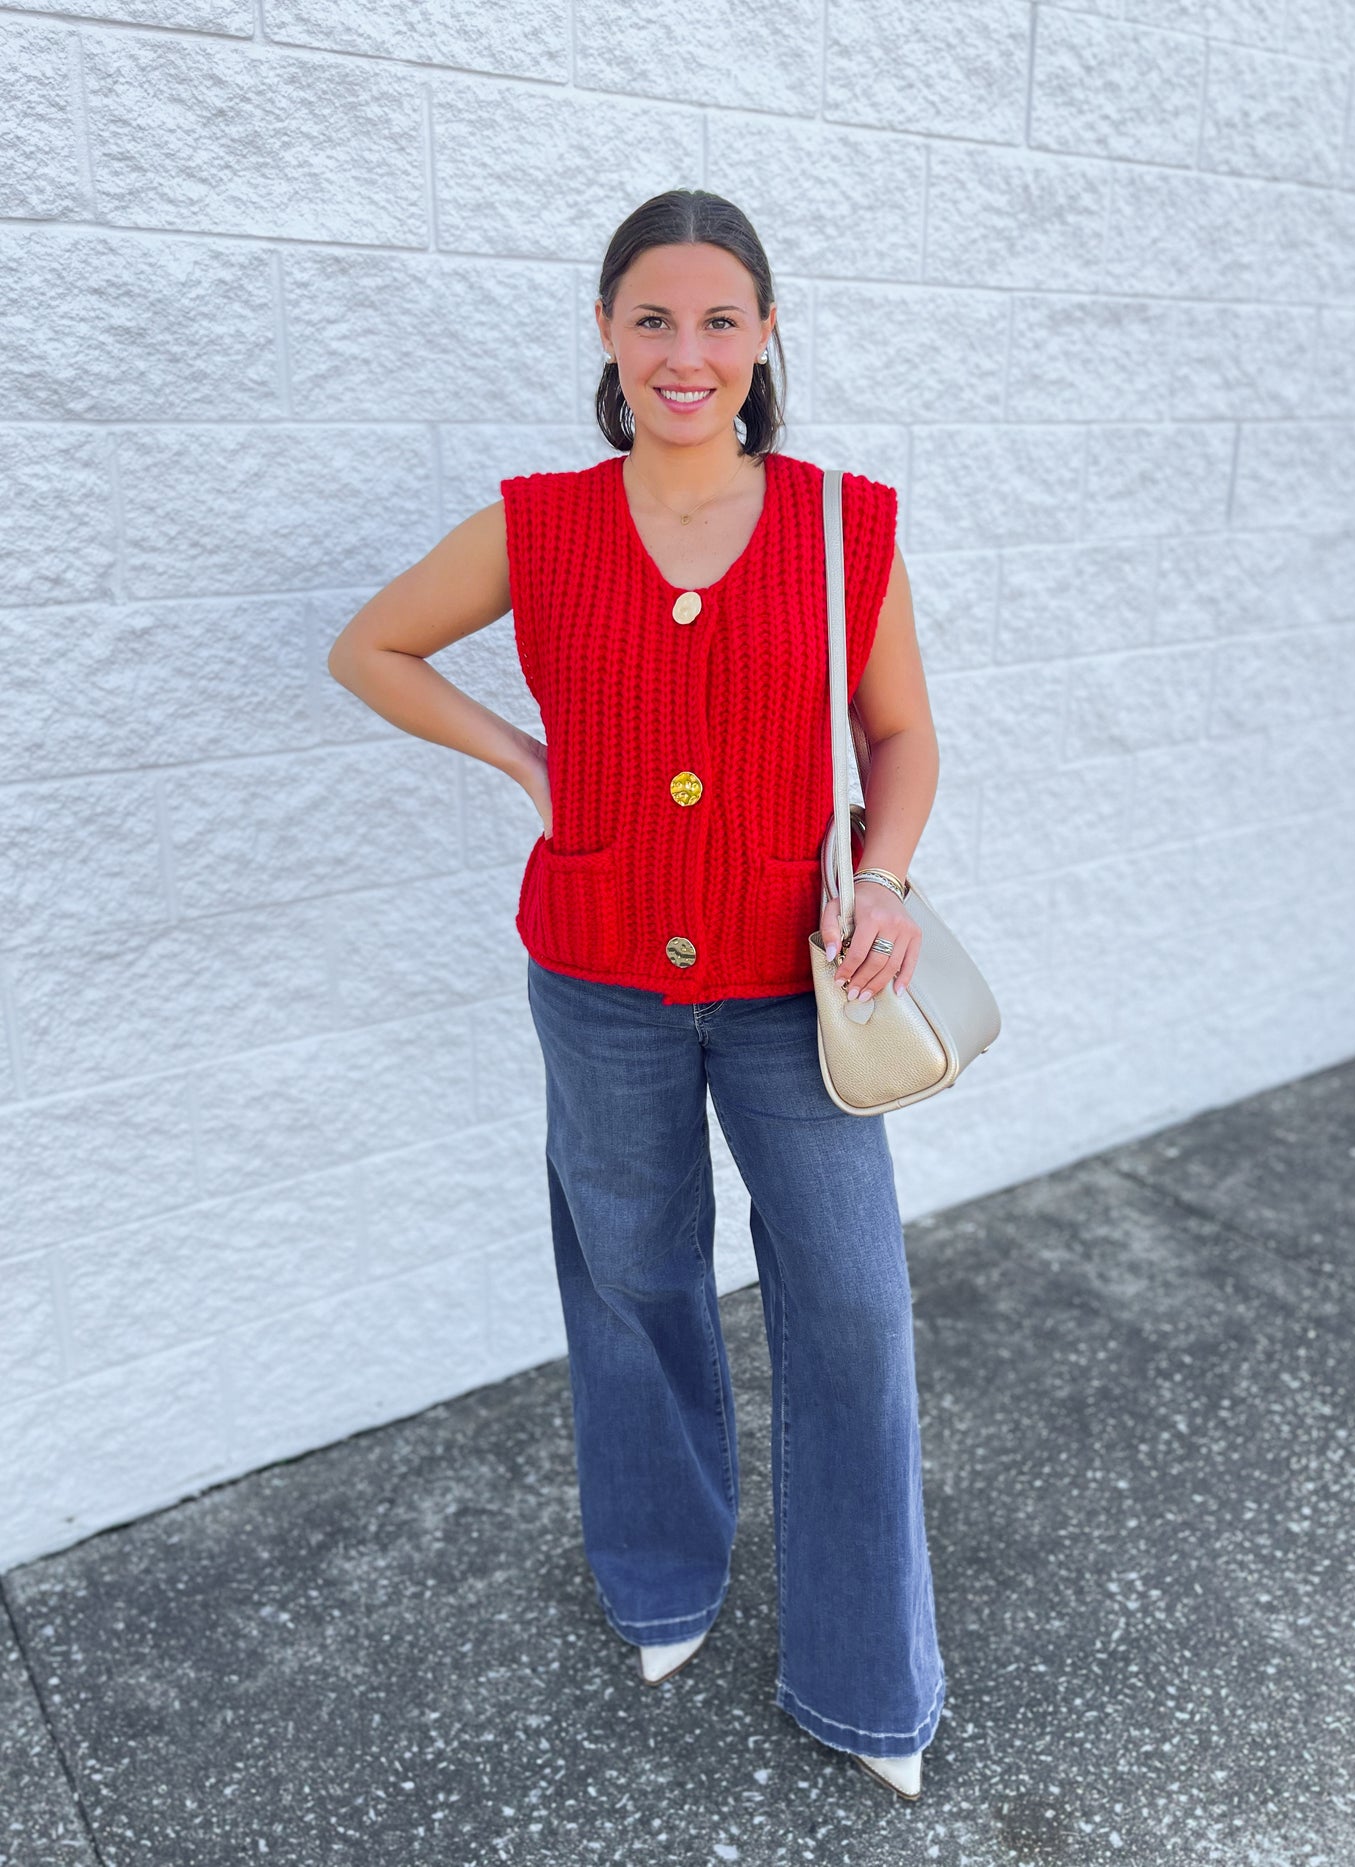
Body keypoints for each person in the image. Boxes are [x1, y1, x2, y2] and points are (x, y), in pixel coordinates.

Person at [327, 188, 946, 1802]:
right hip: (594, 977)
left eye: (719, 320)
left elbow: (902, 737)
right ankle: (664, 1578)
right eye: (653, 319)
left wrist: (881, 877)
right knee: (633, 1281)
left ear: (765, 339)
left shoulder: (838, 521)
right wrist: (529, 763)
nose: (688, 352)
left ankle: (869, 1675)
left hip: (787, 986)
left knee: (854, 1311)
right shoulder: (537, 525)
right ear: (606, 333)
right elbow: (373, 650)